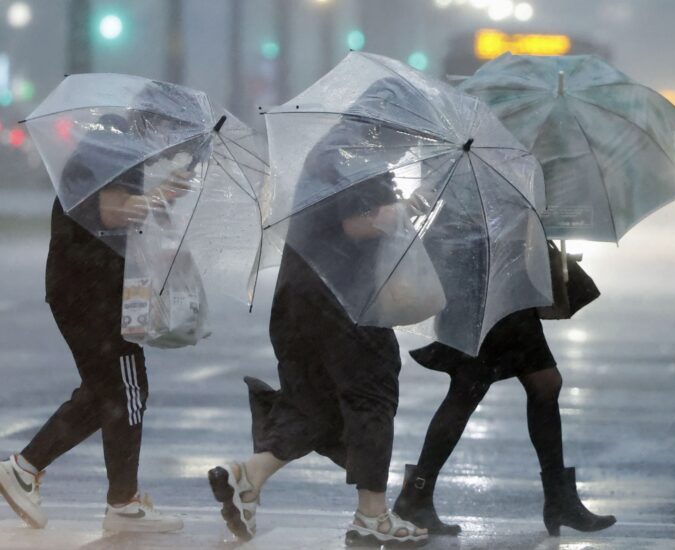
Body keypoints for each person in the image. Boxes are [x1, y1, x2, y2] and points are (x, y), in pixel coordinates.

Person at [207, 80, 428, 547]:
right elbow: (356, 225)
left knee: (317, 401)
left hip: (299, 297)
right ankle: (372, 515)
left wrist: (402, 207)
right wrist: (400, 213)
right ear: (386, 124)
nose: (409, 144)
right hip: (341, 298)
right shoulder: (356, 158)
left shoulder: (335, 149)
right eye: (408, 133)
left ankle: (248, 475)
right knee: (372, 393)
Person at [0, 113, 192, 532]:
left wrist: (162, 199)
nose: (170, 151)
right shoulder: (114, 148)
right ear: (154, 127)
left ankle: (26, 469)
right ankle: (122, 504)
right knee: (126, 388)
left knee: (108, 390)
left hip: (85, 286)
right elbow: (110, 212)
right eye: (171, 140)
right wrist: (162, 193)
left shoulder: (116, 145)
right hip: (89, 289)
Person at [392, 259, 617, 536]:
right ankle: (415, 496)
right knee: (472, 389)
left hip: (507, 287)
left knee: (539, 384)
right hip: (486, 290)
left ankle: (559, 499)